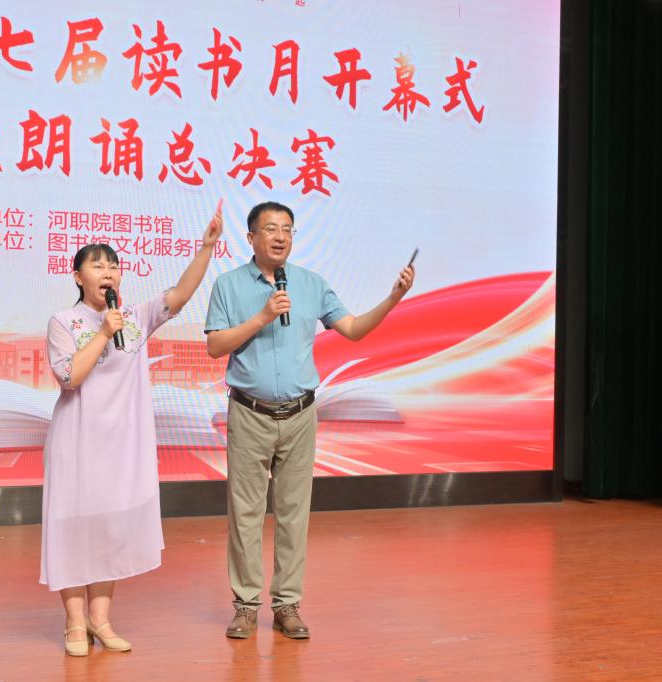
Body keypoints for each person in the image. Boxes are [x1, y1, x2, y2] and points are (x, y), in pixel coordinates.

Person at [204, 201, 414, 640]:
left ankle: (287, 605)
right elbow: (216, 346)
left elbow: (353, 329)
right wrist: (262, 317)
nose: (280, 236)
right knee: (245, 514)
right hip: (249, 413)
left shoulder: (311, 284)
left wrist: (393, 298)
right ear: (251, 238)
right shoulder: (228, 285)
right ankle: (245, 606)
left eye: (287, 229)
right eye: (270, 229)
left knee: (293, 515)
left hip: (300, 415)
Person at [41, 203, 223, 656]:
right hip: (77, 442)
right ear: (78, 276)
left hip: (122, 445)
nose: (108, 272)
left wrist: (205, 248)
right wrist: (104, 332)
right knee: (73, 528)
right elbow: (70, 377)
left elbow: (180, 295)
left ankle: (101, 620)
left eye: (113, 266)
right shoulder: (63, 322)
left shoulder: (137, 317)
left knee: (110, 527)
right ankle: (74, 624)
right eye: (97, 265)